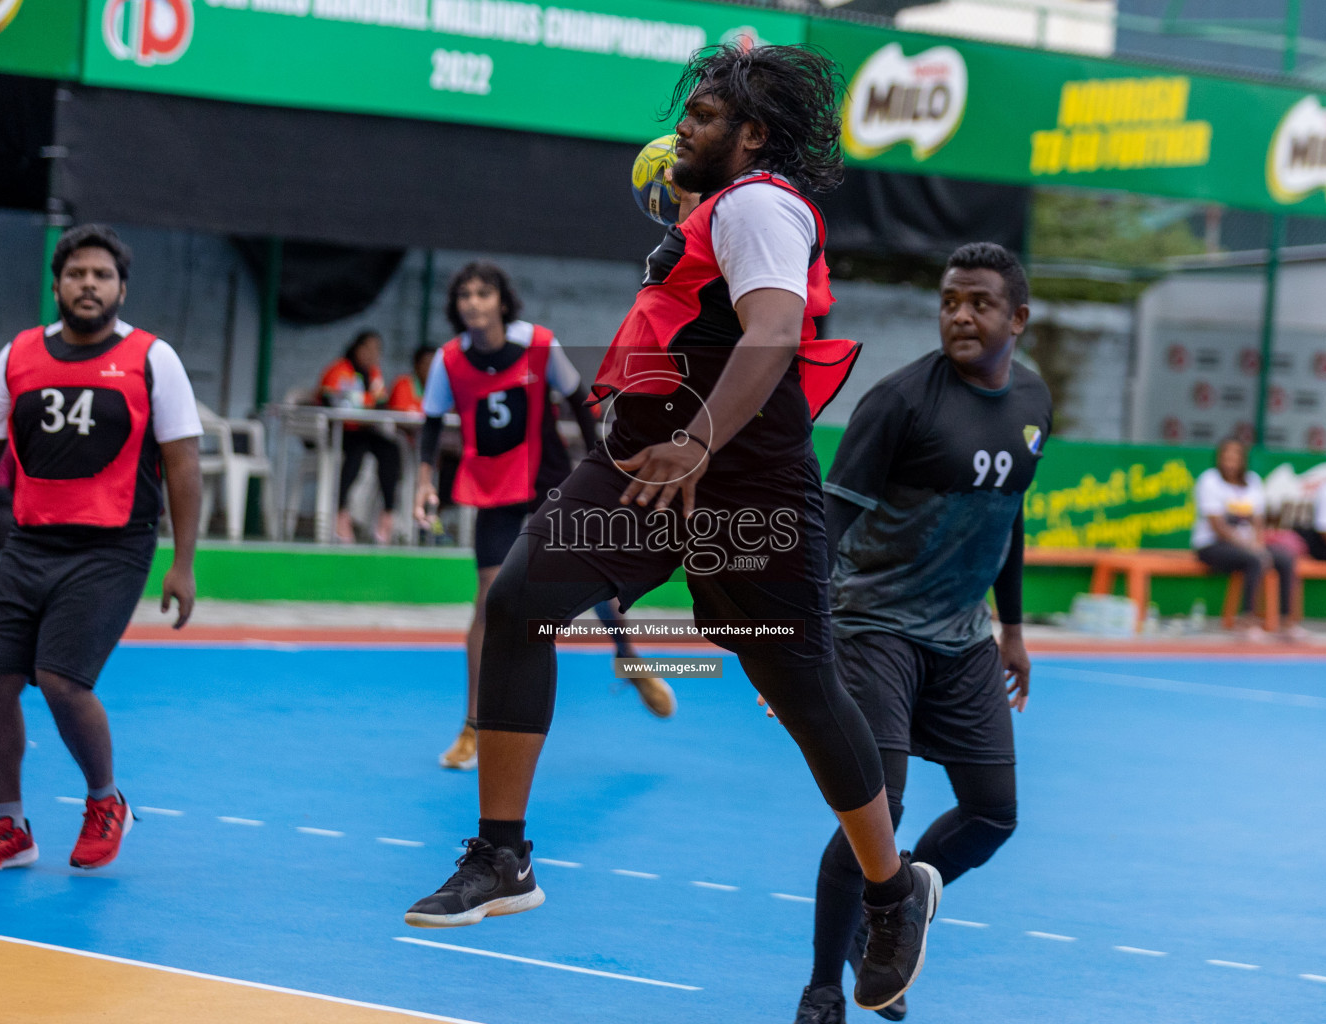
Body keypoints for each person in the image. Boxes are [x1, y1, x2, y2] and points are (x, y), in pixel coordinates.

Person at [402, 44, 936, 1016]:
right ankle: (503, 854)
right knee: (521, 597)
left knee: (804, 687)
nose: (680, 128)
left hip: (735, 474)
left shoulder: (762, 205)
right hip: (645, 466)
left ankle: (894, 890)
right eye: (683, 113)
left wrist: (696, 439)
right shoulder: (713, 214)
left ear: (753, 136)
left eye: (700, 116)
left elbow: (773, 334)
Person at [788, 243, 1049, 1024]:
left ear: (1019, 319)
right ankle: (823, 987)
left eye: (979, 303)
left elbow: (1011, 516)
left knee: (993, 813)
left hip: (964, 637)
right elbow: (826, 528)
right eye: (949, 301)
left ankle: (892, 912)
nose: (961, 315)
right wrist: (802, 648)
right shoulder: (899, 402)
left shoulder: (1034, 401)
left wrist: (1013, 628)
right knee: (879, 812)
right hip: (873, 629)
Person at [0, 224, 203, 871]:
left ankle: (107, 802)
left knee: (60, 678)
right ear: (56, 286)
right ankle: (11, 827)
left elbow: (184, 466)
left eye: (101, 275)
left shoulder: (153, 359)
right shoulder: (17, 355)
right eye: (76, 274)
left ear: (121, 288)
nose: (88, 284)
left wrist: (183, 562)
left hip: (113, 546)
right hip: (31, 540)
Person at [414, 262, 677, 770]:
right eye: (465, 294)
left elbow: (581, 403)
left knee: (593, 578)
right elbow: (429, 426)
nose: (473, 302)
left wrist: (604, 465)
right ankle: (472, 727)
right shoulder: (449, 362)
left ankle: (629, 658)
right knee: (487, 603)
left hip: (549, 480)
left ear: (501, 301)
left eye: (483, 293)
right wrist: (425, 481)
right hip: (493, 487)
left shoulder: (539, 345)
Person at [1191, 437, 1302, 641]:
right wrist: (1252, 549)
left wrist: (1258, 544)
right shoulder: (1209, 480)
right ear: (1219, 458)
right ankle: (1247, 621)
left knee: (1285, 558)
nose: (1230, 461)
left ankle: (1287, 622)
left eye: (1235, 456)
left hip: (1249, 547)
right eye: (1226, 456)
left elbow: (1258, 522)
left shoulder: (1253, 481)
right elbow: (1218, 527)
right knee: (1255, 560)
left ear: (1243, 460)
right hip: (1211, 546)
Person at [319, 330, 401, 545]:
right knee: (357, 452)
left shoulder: (374, 374)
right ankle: (340, 511)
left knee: (391, 450)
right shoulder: (339, 369)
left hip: (365, 430)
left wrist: (361, 402)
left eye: (377, 350)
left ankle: (388, 512)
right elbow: (331, 401)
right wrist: (366, 402)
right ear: (357, 348)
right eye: (369, 348)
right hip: (339, 432)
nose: (373, 354)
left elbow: (382, 403)